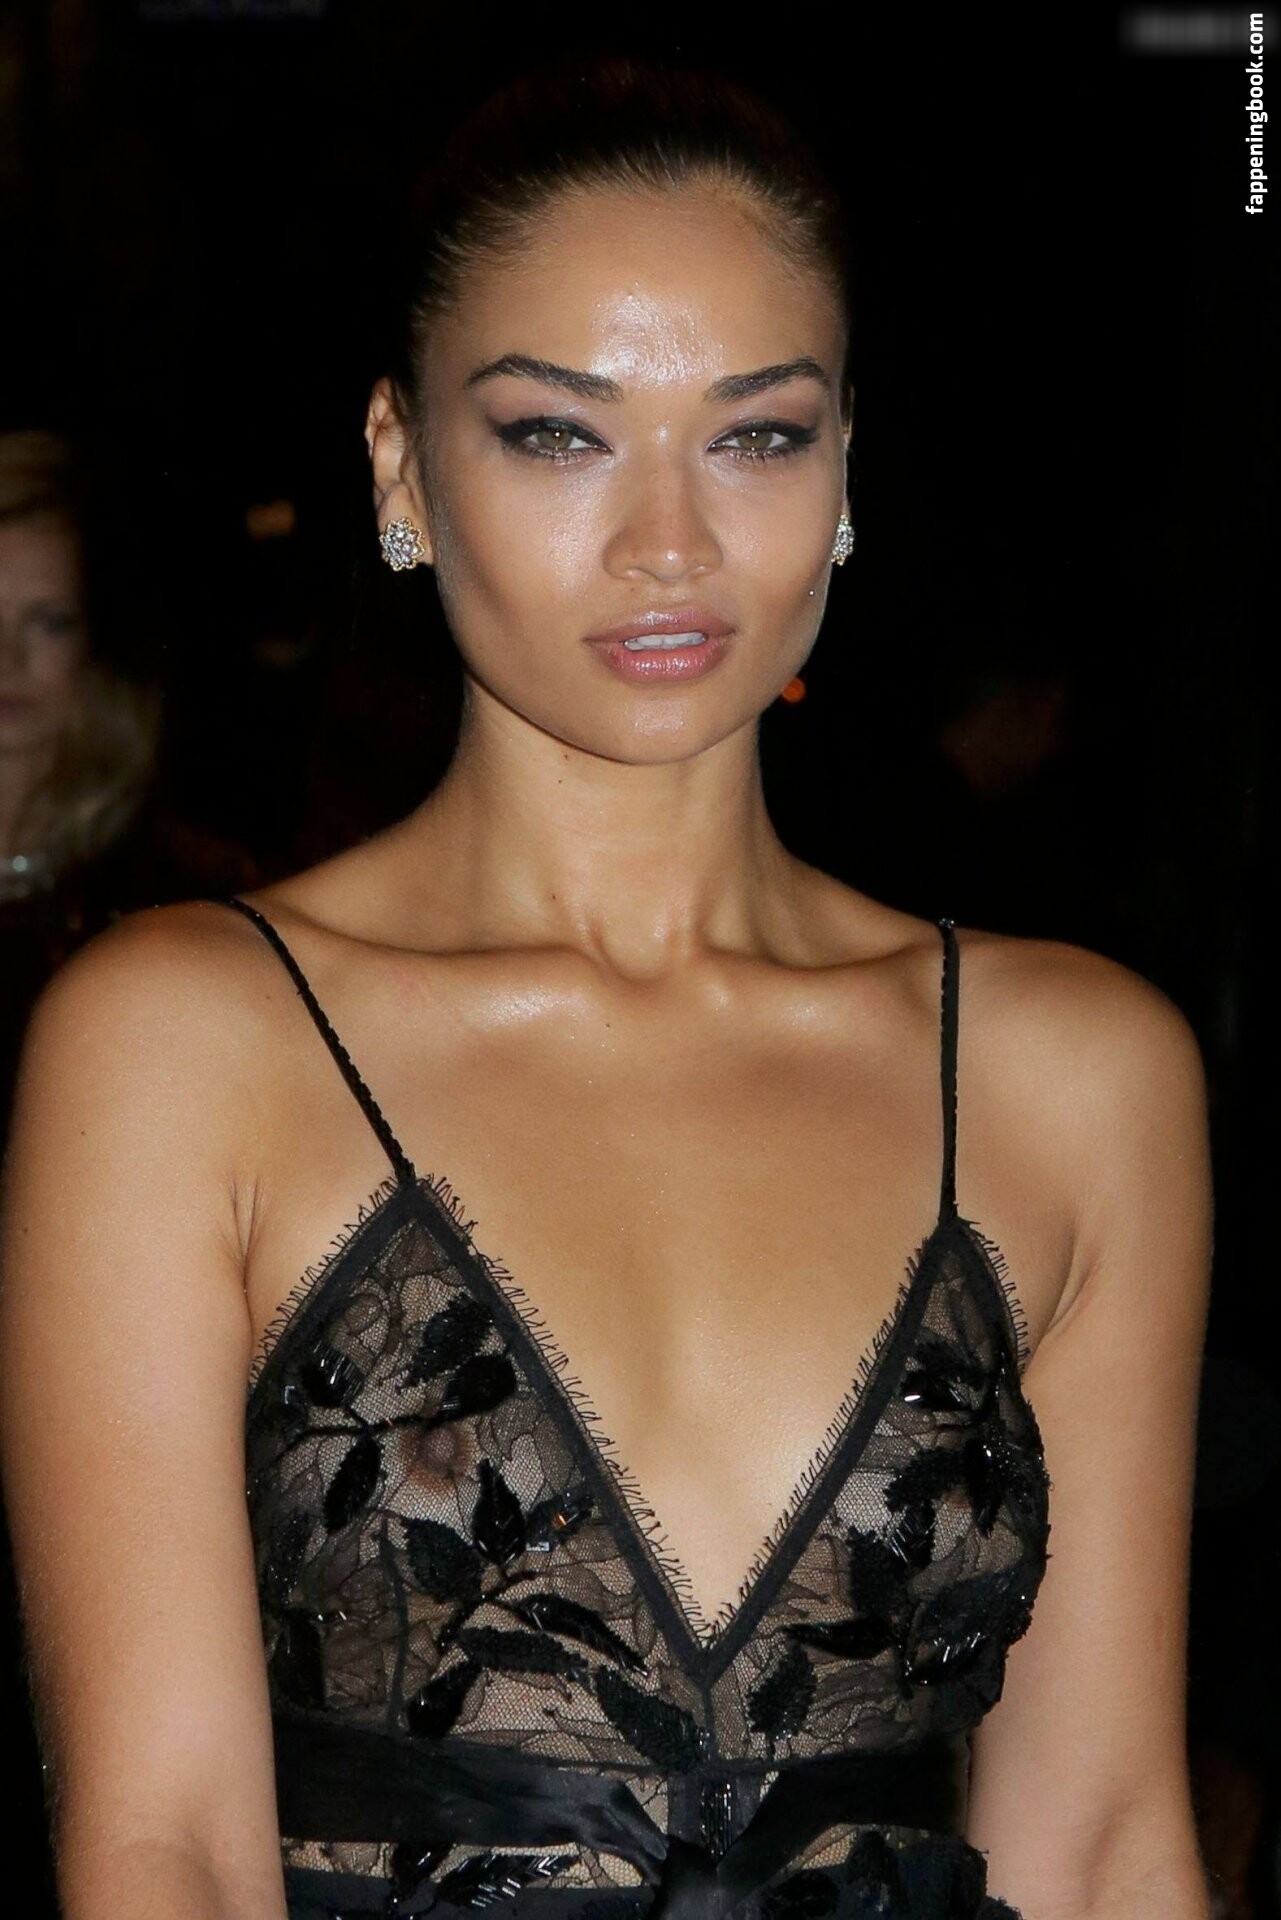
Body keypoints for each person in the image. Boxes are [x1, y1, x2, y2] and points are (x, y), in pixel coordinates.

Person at [0, 54, 1213, 1920]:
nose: (669, 542)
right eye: (559, 434)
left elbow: (1110, 1838)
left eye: (757, 436)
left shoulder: (1074, 1071)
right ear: (400, 464)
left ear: (846, 465)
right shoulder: (185, 1041)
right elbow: (161, 1849)